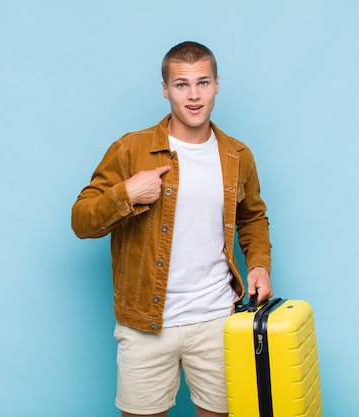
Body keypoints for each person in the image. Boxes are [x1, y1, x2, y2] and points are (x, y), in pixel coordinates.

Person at [71, 41, 272, 417]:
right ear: (165, 89)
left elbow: (252, 217)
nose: (193, 95)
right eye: (181, 84)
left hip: (216, 318)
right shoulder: (131, 149)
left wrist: (259, 264)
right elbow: (81, 221)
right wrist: (126, 193)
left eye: (203, 83)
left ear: (216, 85)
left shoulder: (238, 156)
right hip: (146, 323)